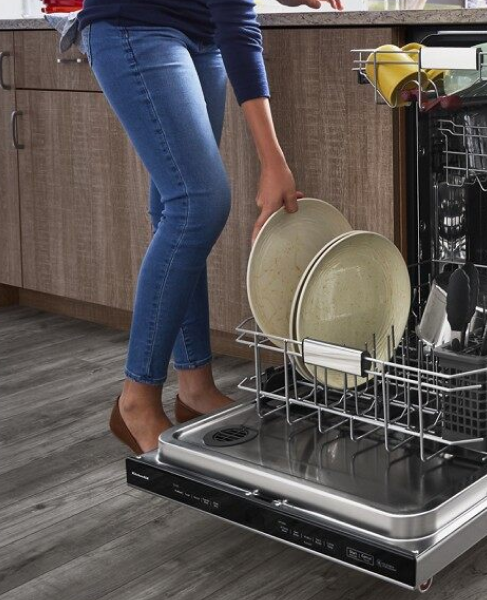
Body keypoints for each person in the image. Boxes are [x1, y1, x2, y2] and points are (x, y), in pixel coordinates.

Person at [77, 0, 342, 454]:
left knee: (177, 209)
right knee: (198, 204)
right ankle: (136, 400)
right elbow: (238, 22)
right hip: (135, 24)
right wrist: (273, 162)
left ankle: (194, 388)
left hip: (200, 35)